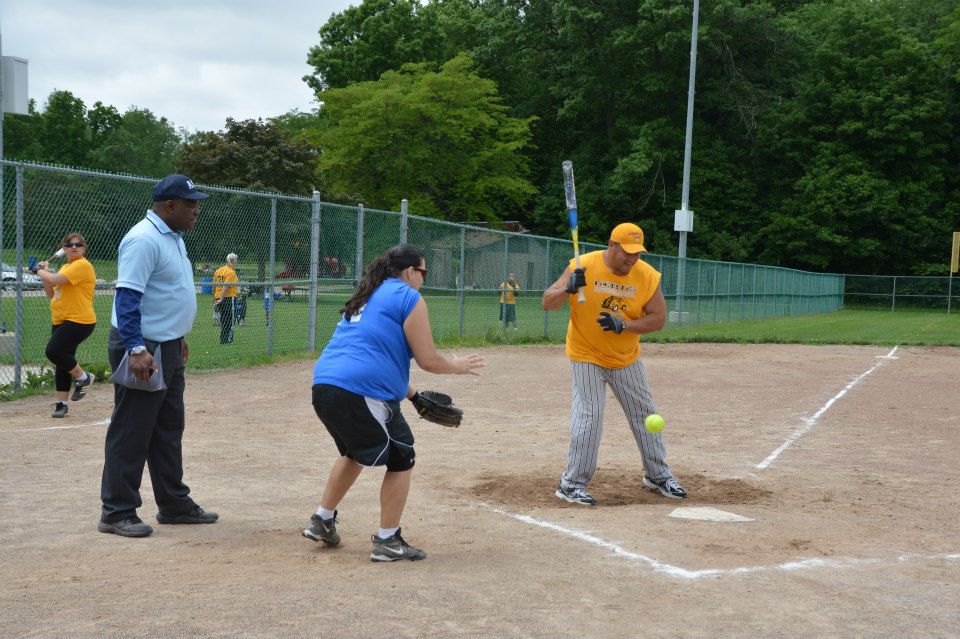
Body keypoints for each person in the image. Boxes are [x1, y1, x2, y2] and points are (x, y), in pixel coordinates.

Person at [303, 243, 484, 562]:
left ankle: (322, 520)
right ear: (410, 272)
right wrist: (456, 365)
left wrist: (413, 396)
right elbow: (427, 359)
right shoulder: (408, 297)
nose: (423, 279)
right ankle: (388, 541)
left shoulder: (370, 294)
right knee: (402, 455)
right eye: (423, 272)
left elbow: (377, 357)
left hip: (326, 386)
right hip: (359, 390)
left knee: (354, 452)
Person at [99, 174, 218, 538]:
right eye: (191, 204)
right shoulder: (143, 239)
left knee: (168, 427)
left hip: (166, 345)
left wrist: (176, 336)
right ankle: (116, 510)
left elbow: (164, 294)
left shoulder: (172, 237)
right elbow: (128, 297)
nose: (196, 210)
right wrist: (137, 349)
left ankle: (173, 503)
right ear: (169, 206)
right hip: (142, 348)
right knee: (133, 429)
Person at [541, 222, 687, 506]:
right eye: (627, 252)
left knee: (645, 415)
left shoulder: (646, 276)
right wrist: (567, 289)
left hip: (625, 358)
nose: (632, 259)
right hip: (587, 354)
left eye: (637, 253)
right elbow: (548, 303)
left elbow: (657, 319)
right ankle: (571, 484)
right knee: (590, 416)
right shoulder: (582, 265)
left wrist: (624, 325)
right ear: (612, 246)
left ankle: (657, 475)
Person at [29, 233, 97, 418]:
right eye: (69, 244)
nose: (73, 247)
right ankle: (62, 404)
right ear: (64, 248)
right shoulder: (66, 267)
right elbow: (53, 293)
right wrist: (44, 274)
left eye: (78, 244)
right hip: (61, 320)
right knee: (62, 362)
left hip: (79, 320)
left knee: (53, 351)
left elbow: (56, 280)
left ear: (84, 248)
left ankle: (84, 377)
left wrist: (38, 270)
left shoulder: (82, 265)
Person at [213, 253, 239, 343]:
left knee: (224, 319)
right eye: (236, 262)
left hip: (218, 297)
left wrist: (215, 297)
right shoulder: (231, 272)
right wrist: (221, 298)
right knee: (230, 320)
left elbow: (214, 285)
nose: (236, 264)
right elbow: (226, 286)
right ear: (232, 262)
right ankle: (228, 340)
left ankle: (223, 339)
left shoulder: (219, 270)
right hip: (228, 298)